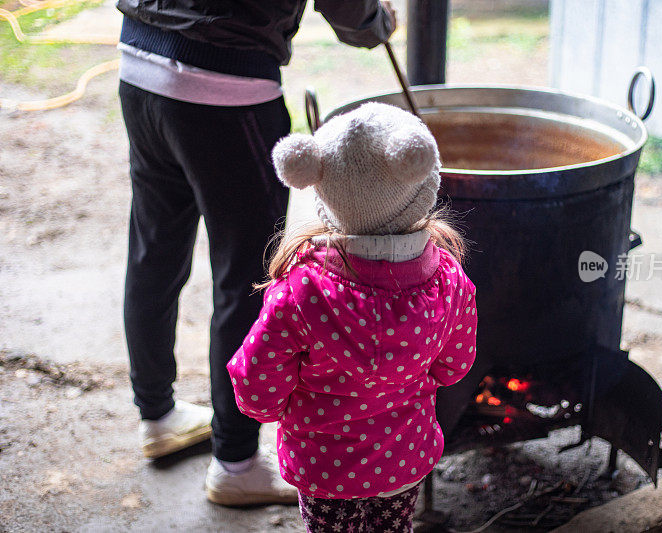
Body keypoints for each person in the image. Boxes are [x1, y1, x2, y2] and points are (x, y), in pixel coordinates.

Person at [115, 0, 397, 506]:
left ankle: (156, 416)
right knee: (246, 275)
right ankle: (236, 464)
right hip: (226, 85)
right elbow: (352, 14)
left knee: (154, 250)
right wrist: (377, 20)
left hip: (140, 62)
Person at [227, 102, 478, 532]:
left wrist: (283, 409)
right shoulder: (449, 279)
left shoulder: (301, 293)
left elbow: (255, 384)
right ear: (422, 178)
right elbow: (453, 367)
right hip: (404, 457)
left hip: (325, 466)